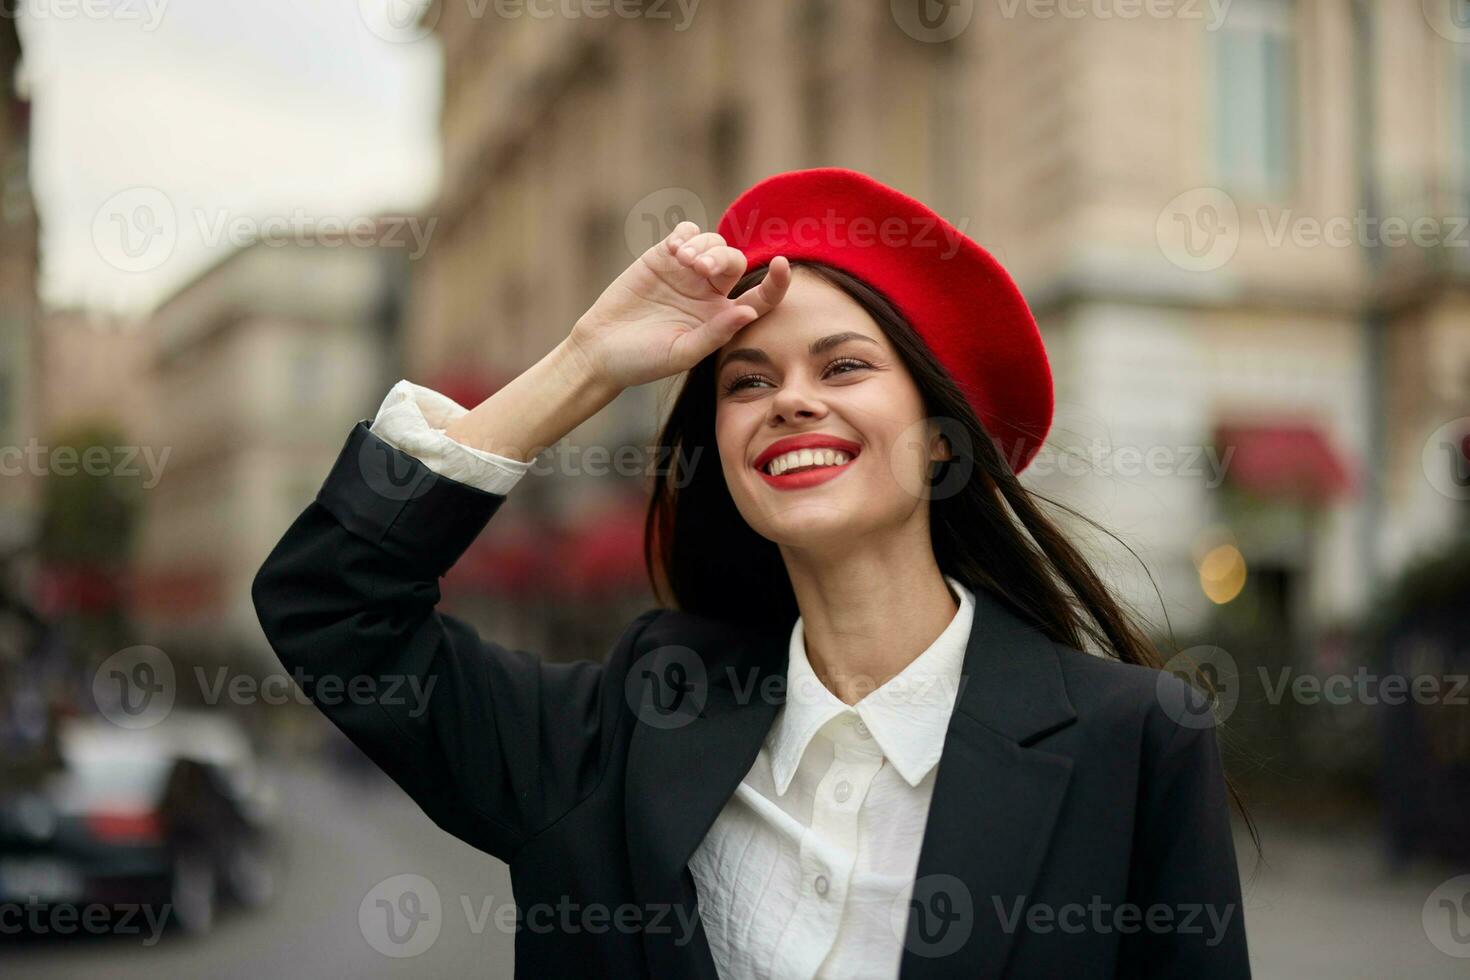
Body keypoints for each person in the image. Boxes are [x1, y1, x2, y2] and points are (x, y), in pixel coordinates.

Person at [252, 167, 1253, 978]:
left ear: (943, 444)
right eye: (749, 381)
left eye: (845, 365)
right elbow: (335, 607)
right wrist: (589, 363)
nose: (790, 402)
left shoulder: (1133, 742)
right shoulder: (625, 731)